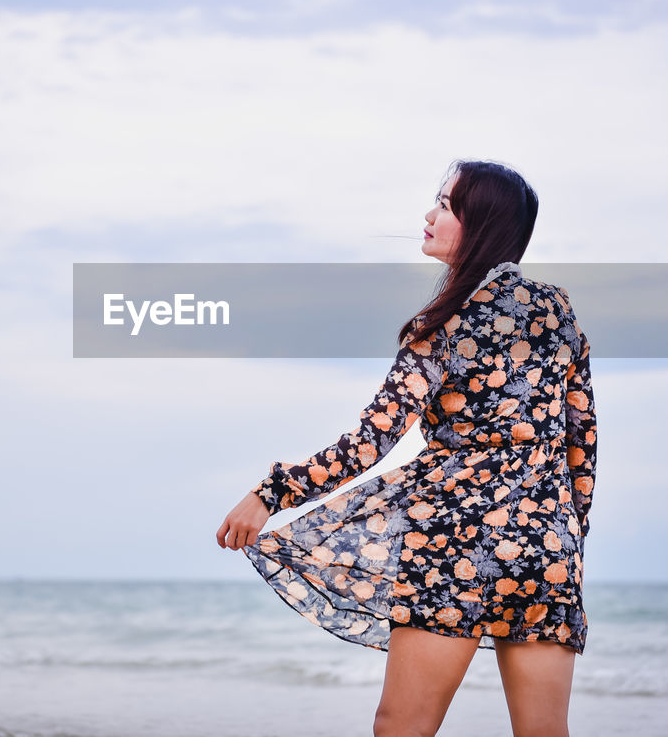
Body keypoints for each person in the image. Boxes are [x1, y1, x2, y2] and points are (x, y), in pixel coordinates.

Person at [216, 159, 598, 737]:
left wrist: (271, 494)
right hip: (545, 547)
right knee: (545, 732)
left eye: (445, 205)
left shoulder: (441, 324)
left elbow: (370, 442)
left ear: (481, 222)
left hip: (453, 540)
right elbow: (581, 447)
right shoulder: (557, 311)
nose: (428, 215)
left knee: (403, 728)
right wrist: (568, 543)